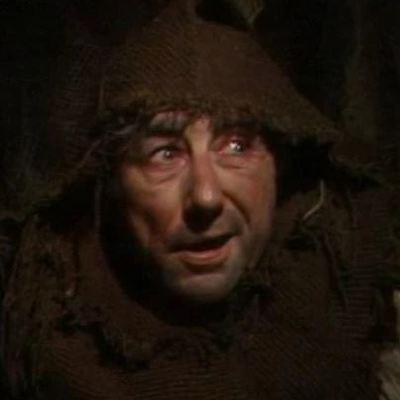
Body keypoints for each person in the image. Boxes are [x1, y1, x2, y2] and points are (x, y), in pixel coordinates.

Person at [1, 1, 394, 399]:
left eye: (236, 146)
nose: (206, 197)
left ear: (281, 163)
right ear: (114, 186)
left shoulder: (347, 286)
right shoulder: (50, 330)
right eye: (165, 154)